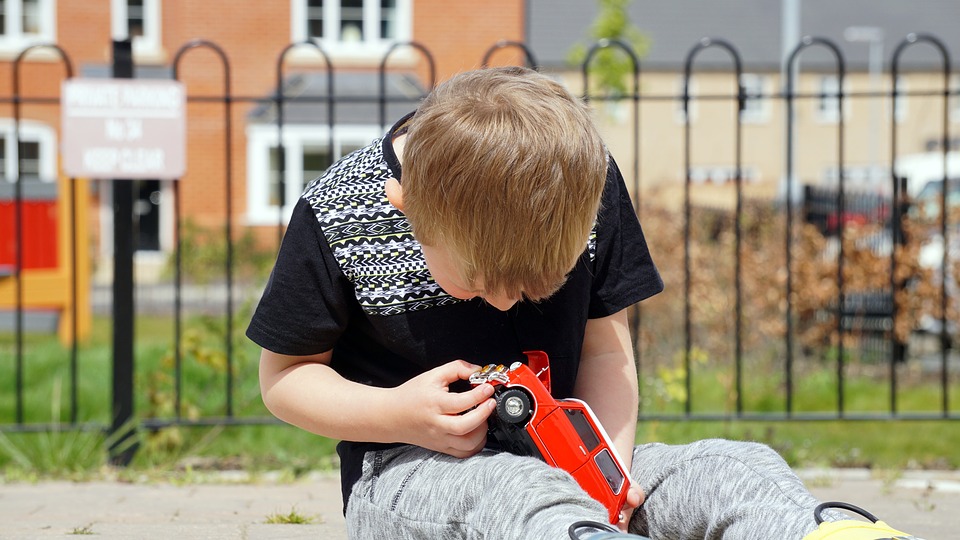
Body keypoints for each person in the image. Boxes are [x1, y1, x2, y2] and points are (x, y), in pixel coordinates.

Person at [247, 67, 920, 540]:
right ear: (411, 213)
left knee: (728, 467)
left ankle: (824, 533)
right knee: (511, 497)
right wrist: (398, 412)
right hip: (409, 474)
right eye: (485, 279)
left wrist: (609, 475)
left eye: (539, 282)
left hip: (567, 454)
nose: (509, 302)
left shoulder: (580, 181)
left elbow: (605, 350)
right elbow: (285, 378)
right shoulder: (342, 209)